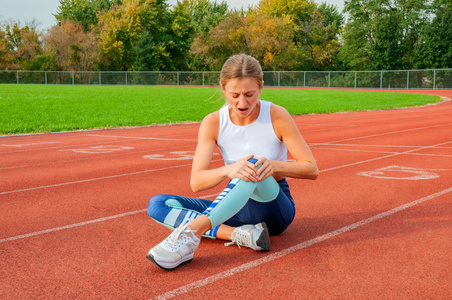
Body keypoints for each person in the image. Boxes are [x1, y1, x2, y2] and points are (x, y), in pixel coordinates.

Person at [146, 54, 318, 270]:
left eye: (249, 94)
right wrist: (228, 170)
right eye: (234, 95)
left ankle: (192, 234)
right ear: (223, 88)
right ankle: (240, 234)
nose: (242, 102)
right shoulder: (213, 122)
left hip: (274, 210)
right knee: (158, 203)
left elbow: (311, 168)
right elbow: (197, 182)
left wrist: (273, 166)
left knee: (252, 165)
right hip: (234, 209)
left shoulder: (276, 116)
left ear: (261, 87)